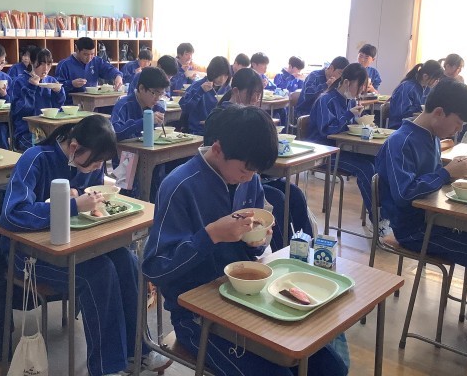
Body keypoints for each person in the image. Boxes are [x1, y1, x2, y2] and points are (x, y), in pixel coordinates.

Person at [143, 105, 348, 376]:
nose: (250, 179)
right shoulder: (179, 186)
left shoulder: (249, 180)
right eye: (245, 170)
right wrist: (211, 235)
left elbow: (253, 249)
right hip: (194, 316)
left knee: (330, 365)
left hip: (246, 296)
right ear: (218, 149)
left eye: (255, 172)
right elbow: (155, 268)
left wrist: (257, 242)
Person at [0, 115, 171, 376]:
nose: (98, 169)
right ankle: (106, 367)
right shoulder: (36, 158)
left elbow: (87, 207)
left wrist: (89, 203)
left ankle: (139, 351)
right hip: (28, 255)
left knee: (127, 261)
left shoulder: (88, 164)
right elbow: (11, 215)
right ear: (74, 147)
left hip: (76, 245)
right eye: (96, 162)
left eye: (103, 163)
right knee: (99, 274)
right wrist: (71, 205)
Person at [376, 78, 467, 353]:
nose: (459, 129)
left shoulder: (431, 137)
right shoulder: (400, 142)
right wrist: (446, 173)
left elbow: (433, 184)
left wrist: (455, 176)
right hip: (416, 230)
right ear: (439, 112)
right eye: (458, 123)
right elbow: (405, 195)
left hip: (438, 219)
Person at [209, 68, 314, 250]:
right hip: (234, 179)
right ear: (236, 91)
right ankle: (282, 250)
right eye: (252, 94)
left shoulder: (252, 118)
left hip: (253, 175)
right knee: (278, 199)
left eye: (258, 94)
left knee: (295, 193)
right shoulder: (221, 118)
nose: (255, 99)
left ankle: (304, 249)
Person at [306, 63, 375, 224]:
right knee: (365, 168)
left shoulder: (348, 101)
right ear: (346, 82)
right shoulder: (325, 100)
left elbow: (345, 127)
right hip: (322, 150)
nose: (360, 92)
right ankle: (377, 217)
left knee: (376, 161)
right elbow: (327, 131)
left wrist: (360, 121)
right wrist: (348, 115)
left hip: (339, 148)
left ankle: (381, 212)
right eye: (359, 87)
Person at [10, 48, 66, 151]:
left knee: (67, 148)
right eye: (41, 64)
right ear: (32, 62)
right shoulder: (20, 81)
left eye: (48, 64)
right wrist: (31, 88)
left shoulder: (51, 80)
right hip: (27, 132)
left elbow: (58, 107)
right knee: (45, 151)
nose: (45, 68)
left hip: (51, 130)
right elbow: (20, 111)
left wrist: (59, 92)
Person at [56, 37, 123, 105]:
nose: (89, 58)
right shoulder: (64, 64)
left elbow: (110, 69)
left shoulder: (96, 61)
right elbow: (56, 87)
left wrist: (118, 76)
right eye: (85, 54)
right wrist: (72, 84)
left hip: (93, 102)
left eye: (92, 54)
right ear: (77, 50)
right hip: (71, 104)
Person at [111, 67, 168, 141]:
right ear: (141, 88)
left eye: (161, 94)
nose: (157, 98)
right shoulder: (123, 105)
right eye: (154, 93)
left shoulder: (158, 107)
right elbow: (115, 133)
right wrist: (145, 121)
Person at [179, 56, 230, 135]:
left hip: (220, 131)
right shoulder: (198, 86)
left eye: (225, 76)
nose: (222, 79)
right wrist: (200, 91)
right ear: (212, 72)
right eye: (219, 75)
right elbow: (184, 107)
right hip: (199, 131)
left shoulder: (227, 89)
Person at [387, 60, 443, 130]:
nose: (437, 82)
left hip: (415, 124)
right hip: (400, 126)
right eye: (436, 79)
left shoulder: (427, 88)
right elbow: (401, 113)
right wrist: (420, 110)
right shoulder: (406, 87)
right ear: (425, 76)